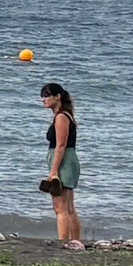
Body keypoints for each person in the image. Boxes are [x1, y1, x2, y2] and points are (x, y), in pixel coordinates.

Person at [41, 82, 84, 249]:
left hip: (64, 161)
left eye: (46, 95)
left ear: (57, 97)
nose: (43, 99)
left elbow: (61, 145)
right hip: (68, 159)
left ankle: (64, 242)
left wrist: (53, 171)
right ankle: (75, 241)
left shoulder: (61, 117)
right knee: (69, 206)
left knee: (60, 207)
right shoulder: (65, 115)